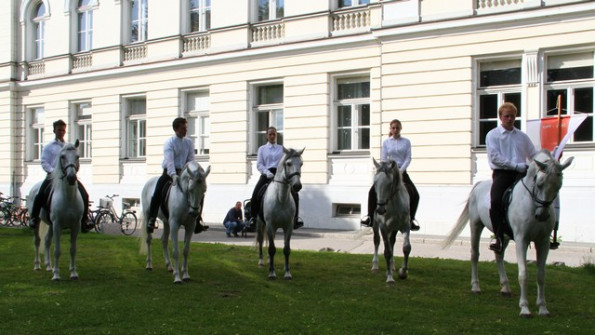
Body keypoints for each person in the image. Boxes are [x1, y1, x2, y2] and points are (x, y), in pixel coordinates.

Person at [486, 102, 537, 253]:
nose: (510, 119)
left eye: (512, 116)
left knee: (539, 195)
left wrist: (545, 160)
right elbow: (495, 157)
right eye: (507, 116)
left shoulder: (522, 136)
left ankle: (540, 231)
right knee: (495, 201)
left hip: (522, 173)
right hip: (503, 174)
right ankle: (498, 236)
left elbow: (533, 154)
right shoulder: (493, 135)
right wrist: (515, 166)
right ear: (500, 117)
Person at [146, 117, 209, 234]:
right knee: (158, 191)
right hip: (169, 173)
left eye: (186, 128)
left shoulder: (189, 142)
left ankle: (197, 220)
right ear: (175, 129)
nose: (185, 130)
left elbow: (191, 160)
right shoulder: (169, 143)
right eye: (183, 128)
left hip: (185, 173)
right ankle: (152, 218)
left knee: (199, 191)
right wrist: (173, 175)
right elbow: (169, 161)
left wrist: (192, 172)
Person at [29, 119, 92, 232]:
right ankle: (34, 218)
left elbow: (73, 160)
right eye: (59, 130)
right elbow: (44, 162)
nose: (61, 132)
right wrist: (53, 171)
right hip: (52, 176)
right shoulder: (49, 147)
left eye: (63, 130)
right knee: (41, 193)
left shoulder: (68, 147)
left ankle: (85, 220)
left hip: (68, 175)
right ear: (54, 130)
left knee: (84, 194)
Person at [361, 119, 421, 231]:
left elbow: (408, 158)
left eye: (397, 128)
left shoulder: (406, 142)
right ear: (391, 129)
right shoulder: (386, 142)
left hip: (401, 171)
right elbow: (384, 159)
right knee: (372, 191)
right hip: (388, 171)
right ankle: (369, 217)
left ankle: (411, 219)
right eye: (393, 128)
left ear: (400, 129)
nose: (395, 130)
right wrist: (384, 169)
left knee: (415, 194)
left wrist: (401, 171)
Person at [249, 126, 303, 229]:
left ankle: (295, 219)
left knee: (295, 194)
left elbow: (286, 163)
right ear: (267, 136)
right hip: (266, 174)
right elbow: (259, 164)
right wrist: (266, 172)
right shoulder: (262, 149)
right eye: (270, 134)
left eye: (274, 134)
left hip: (280, 175)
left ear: (276, 135)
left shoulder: (282, 149)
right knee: (255, 193)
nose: (272, 136)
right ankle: (253, 218)